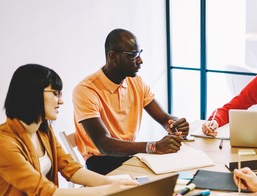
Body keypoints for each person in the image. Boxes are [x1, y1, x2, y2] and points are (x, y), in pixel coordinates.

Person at [0, 64, 136, 196]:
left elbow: (71, 169)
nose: (61, 101)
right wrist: (107, 191)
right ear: (32, 94)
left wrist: (114, 183)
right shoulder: (3, 142)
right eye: (55, 93)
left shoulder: (43, 131)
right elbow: (47, 192)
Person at [73, 28, 189, 175]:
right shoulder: (86, 90)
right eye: (133, 55)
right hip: (101, 162)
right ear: (113, 56)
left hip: (128, 156)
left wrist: (175, 124)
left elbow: (164, 118)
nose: (140, 61)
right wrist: (153, 147)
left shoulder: (136, 82)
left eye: (139, 53)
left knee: (174, 174)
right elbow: (104, 144)